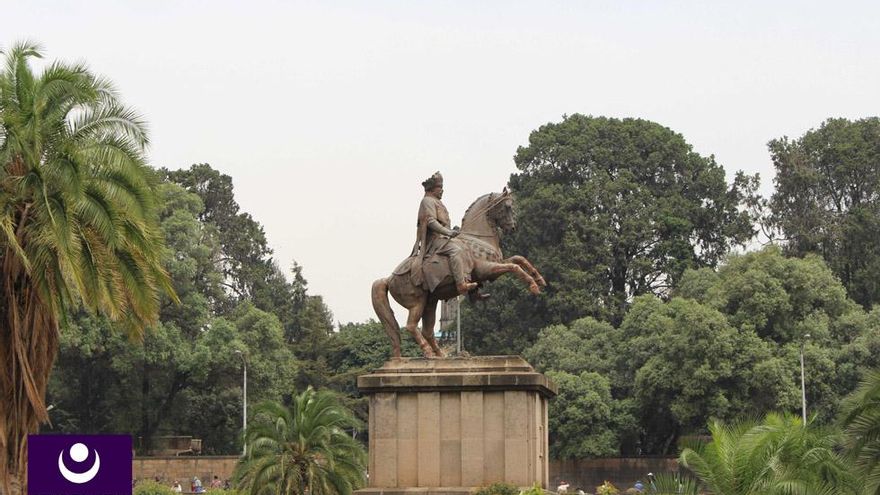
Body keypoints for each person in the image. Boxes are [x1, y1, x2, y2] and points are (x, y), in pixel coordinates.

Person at [410, 172, 478, 295]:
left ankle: (474, 292)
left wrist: (453, 231)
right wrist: (448, 232)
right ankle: (461, 285)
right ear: (432, 189)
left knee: (467, 248)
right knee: (455, 250)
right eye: (439, 188)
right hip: (434, 241)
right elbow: (430, 221)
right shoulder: (427, 201)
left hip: (444, 238)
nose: (442, 190)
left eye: (442, 187)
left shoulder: (438, 202)